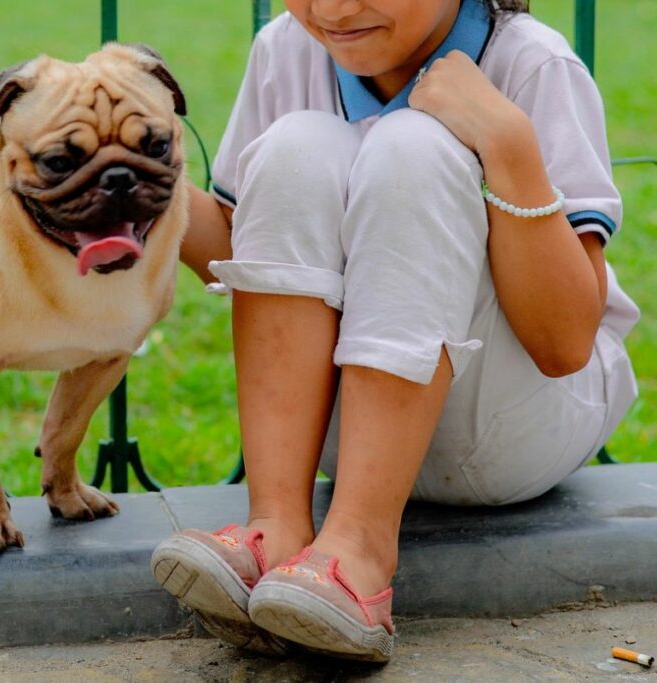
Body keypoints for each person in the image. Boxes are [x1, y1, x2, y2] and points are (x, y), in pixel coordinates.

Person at [150, 0, 639, 662]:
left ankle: (360, 548)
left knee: (412, 146)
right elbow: (263, 252)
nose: (333, 8)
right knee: (297, 145)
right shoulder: (289, 49)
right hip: (344, 434)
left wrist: (507, 144)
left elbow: (564, 345)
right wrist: (149, 174)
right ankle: (279, 528)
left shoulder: (530, 62)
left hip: (511, 428)